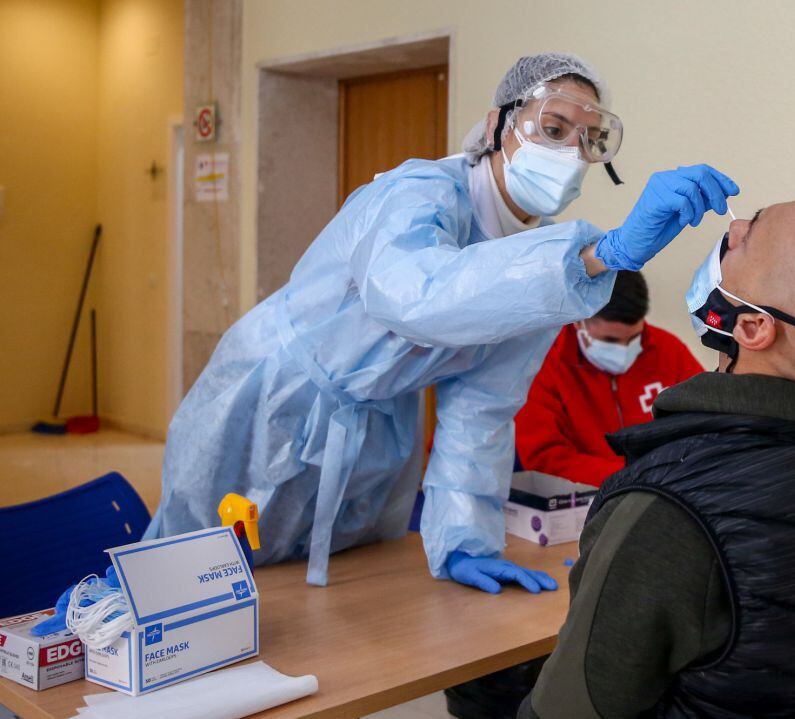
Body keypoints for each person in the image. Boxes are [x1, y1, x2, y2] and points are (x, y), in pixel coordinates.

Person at [144, 52, 740, 594]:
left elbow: (481, 407)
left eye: (587, 140)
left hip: (379, 423)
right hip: (270, 398)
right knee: (192, 578)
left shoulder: (538, 272)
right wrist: (599, 255)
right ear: (495, 126)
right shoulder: (420, 194)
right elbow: (415, 297)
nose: (567, 153)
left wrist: (463, 540)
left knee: (335, 595)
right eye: (552, 130)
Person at [519, 197, 795, 718]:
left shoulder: (671, 507)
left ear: (753, 328)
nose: (730, 228)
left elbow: (565, 711)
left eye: (746, 237)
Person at [515, 271, 703, 486]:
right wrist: (633, 475)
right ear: (579, 321)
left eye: (633, 338)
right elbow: (544, 459)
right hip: (582, 501)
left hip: (666, 491)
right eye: (610, 340)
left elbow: (705, 427)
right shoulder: (542, 364)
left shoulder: (668, 351)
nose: (623, 350)